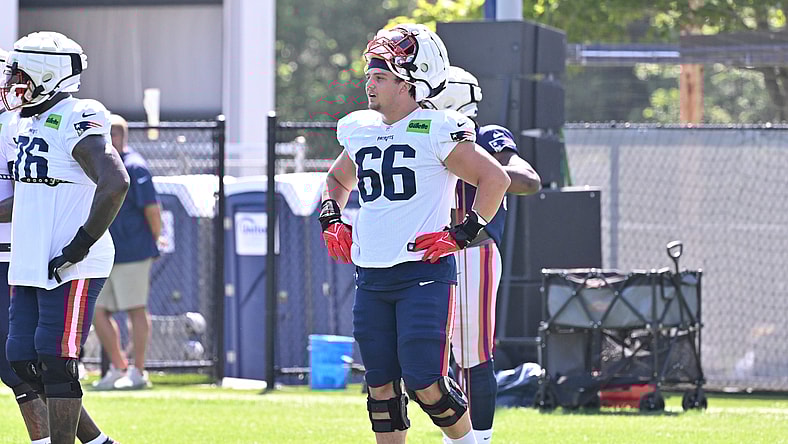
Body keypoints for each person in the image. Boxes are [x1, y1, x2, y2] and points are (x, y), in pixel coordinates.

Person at [320, 24, 510, 444]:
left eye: (381, 76)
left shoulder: (437, 128)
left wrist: (462, 235)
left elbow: (494, 179)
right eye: (370, 74)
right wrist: (331, 217)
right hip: (370, 274)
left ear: (410, 82)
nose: (369, 83)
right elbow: (336, 179)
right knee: (380, 387)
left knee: (426, 382)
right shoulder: (359, 128)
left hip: (422, 273)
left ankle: (467, 442)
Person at [1, 32, 129, 444]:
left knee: (56, 360)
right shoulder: (29, 119)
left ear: (45, 74)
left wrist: (80, 244)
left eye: (18, 73)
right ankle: (98, 442)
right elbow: (29, 192)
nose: (11, 82)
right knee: (21, 360)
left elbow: (115, 182)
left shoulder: (79, 113)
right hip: (32, 258)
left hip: (71, 261)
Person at [423, 66, 542, 443]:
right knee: (434, 357)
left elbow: (526, 179)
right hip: (427, 254)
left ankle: (481, 438)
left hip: (472, 252)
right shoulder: (419, 133)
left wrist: (472, 164)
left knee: (473, 353)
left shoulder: (484, 137)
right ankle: (458, 436)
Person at [92, 114, 160, 391]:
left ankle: (138, 372)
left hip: (133, 252)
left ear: (119, 137)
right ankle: (119, 368)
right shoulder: (98, 165)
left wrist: (150, 243)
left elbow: (153, 211)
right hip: (102, 253)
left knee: (136, 310)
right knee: (97, 312)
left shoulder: (136, 166)